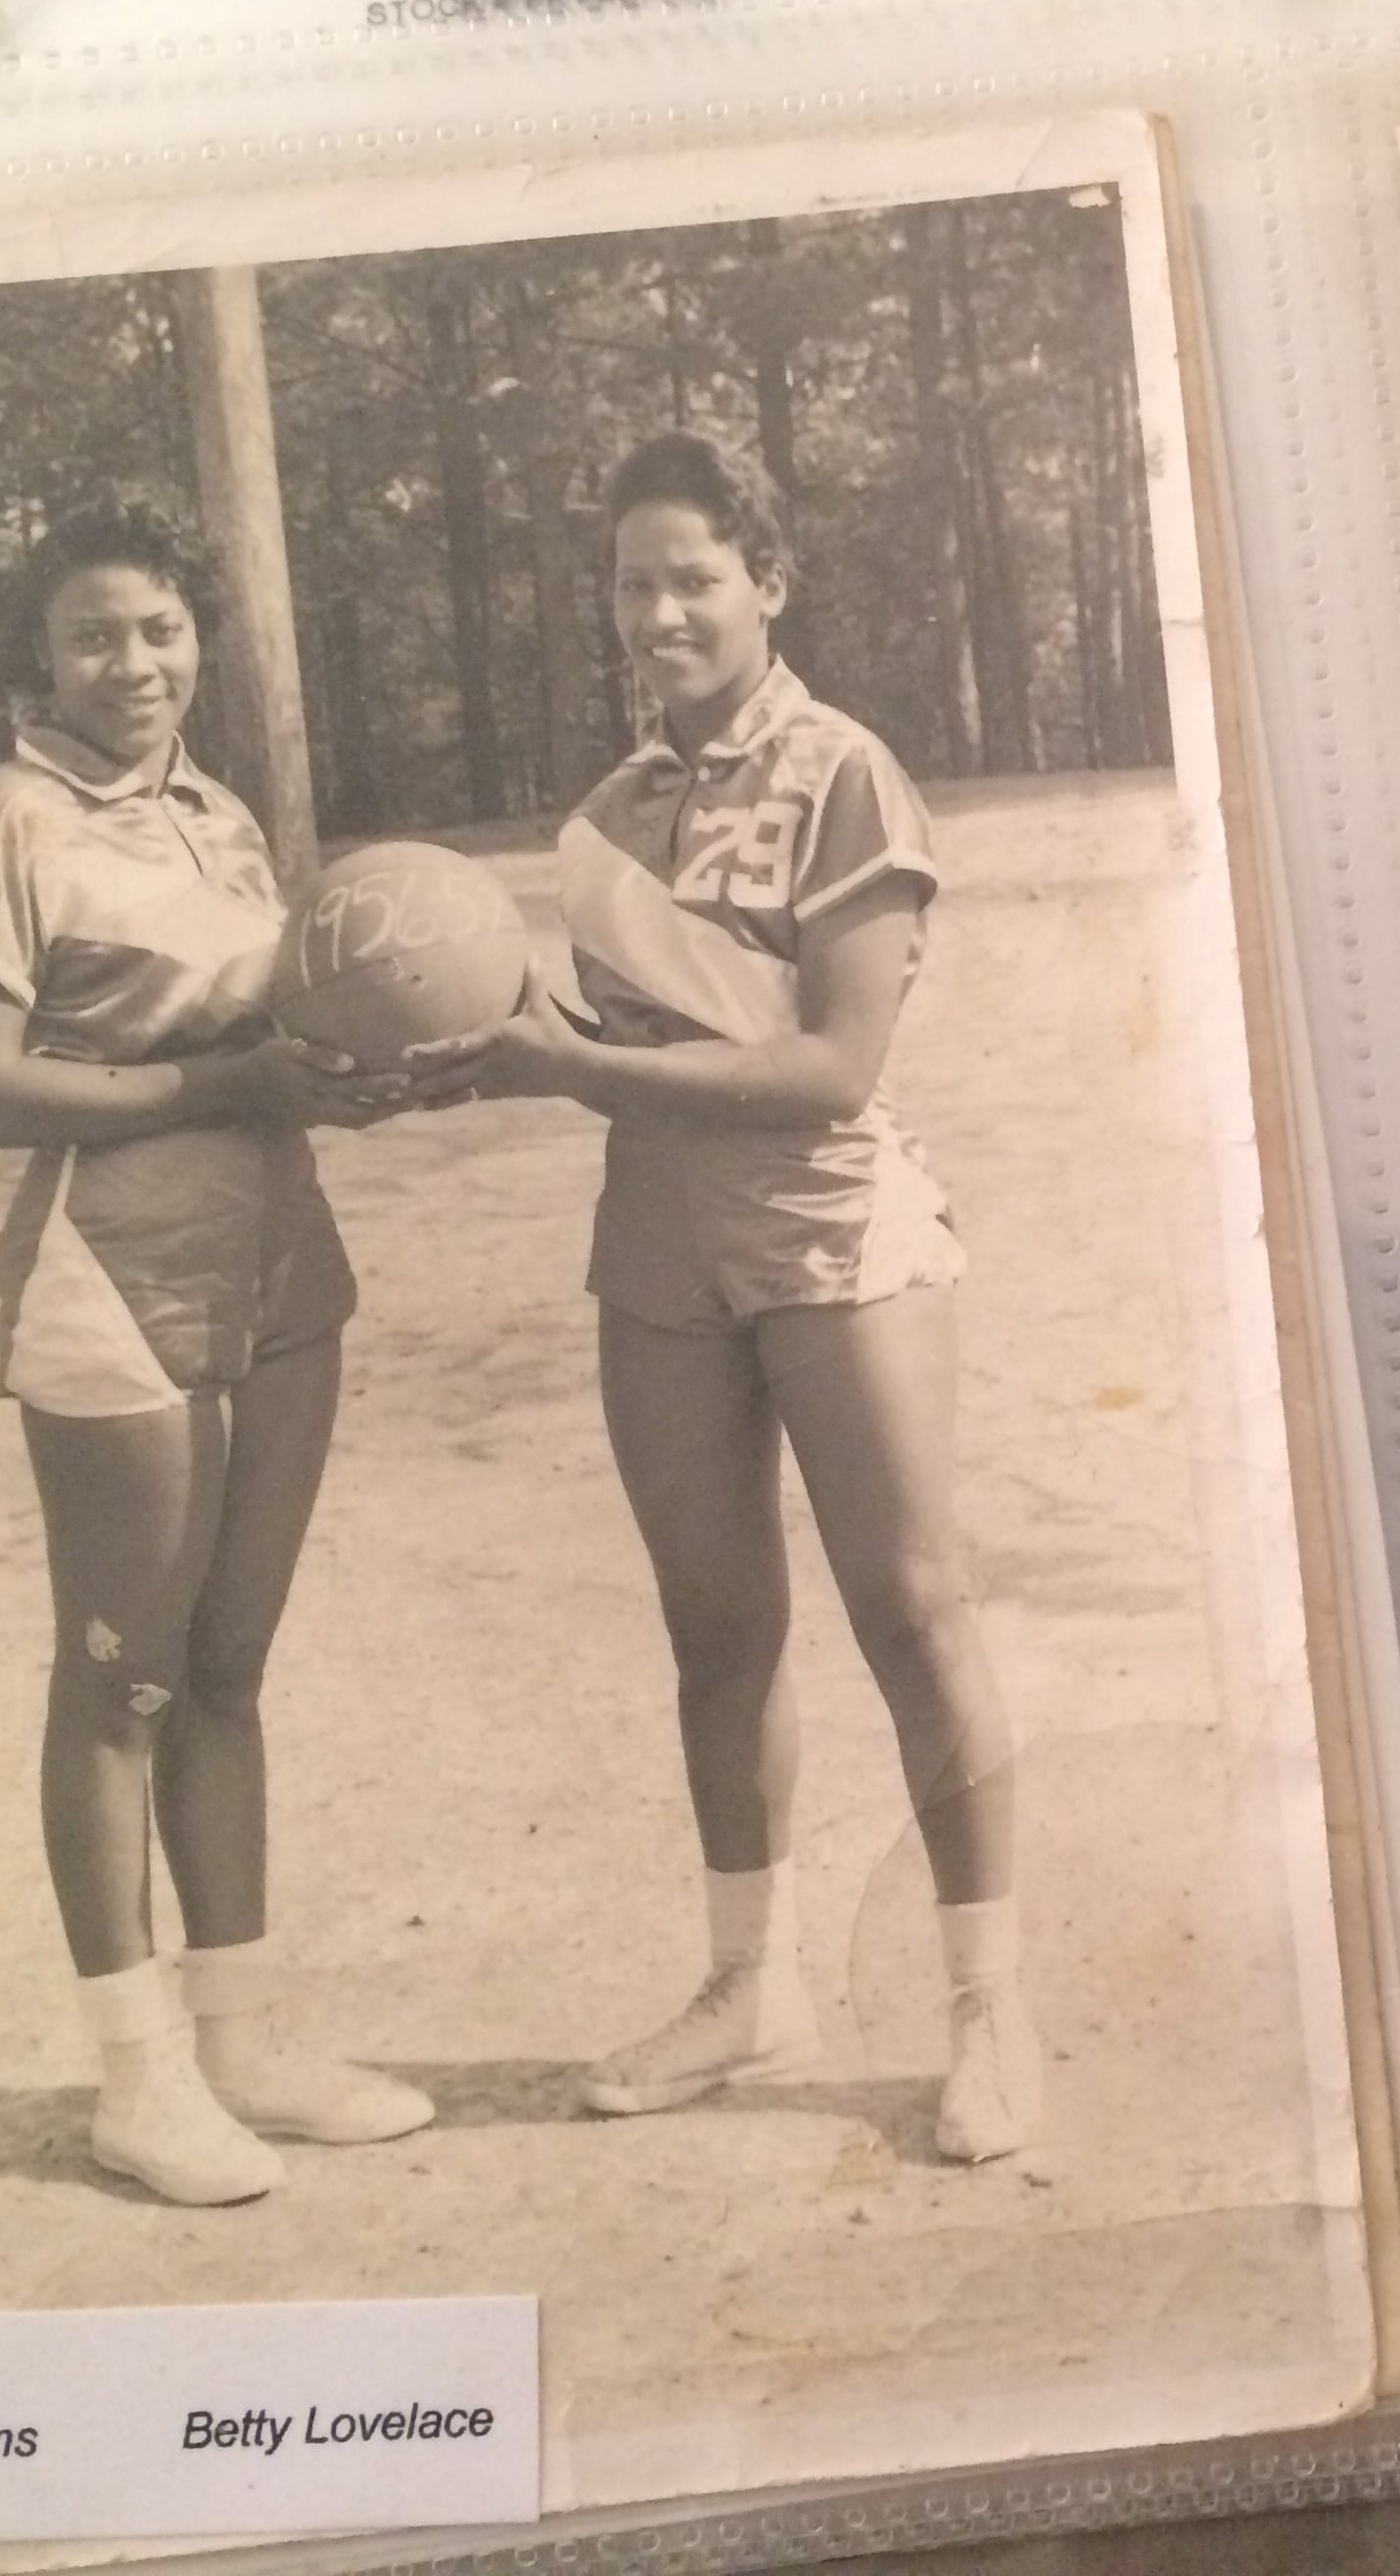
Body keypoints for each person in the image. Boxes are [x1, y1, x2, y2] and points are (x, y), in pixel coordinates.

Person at [415, 430, 1043, 2161]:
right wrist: (456, 1039)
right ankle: (747, 1986)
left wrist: (567, 1066)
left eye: (694, 577)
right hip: (657, 1248)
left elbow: (831, 1068)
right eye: (635, 584)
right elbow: (613, 1045)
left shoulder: (850, 777)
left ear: (769, 579)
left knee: (913, 1609)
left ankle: (989, 2013)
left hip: (830, 1232)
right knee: (716, 1630)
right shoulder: (605, 817)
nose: (663, 613)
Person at [0, 497, 431, 2207]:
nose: (131, 664)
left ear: (199, 637)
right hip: (112, 1275)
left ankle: (242, 2046)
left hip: (280, 1264)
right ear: (39, 654)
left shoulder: (220, 814)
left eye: (158, 629)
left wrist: (358, 1061)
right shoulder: (7, 817)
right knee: (119, 1684)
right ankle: (137, 2085)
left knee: (227, 1666)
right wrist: (228, 1083)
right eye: (92, 635)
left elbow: (271, 1031)